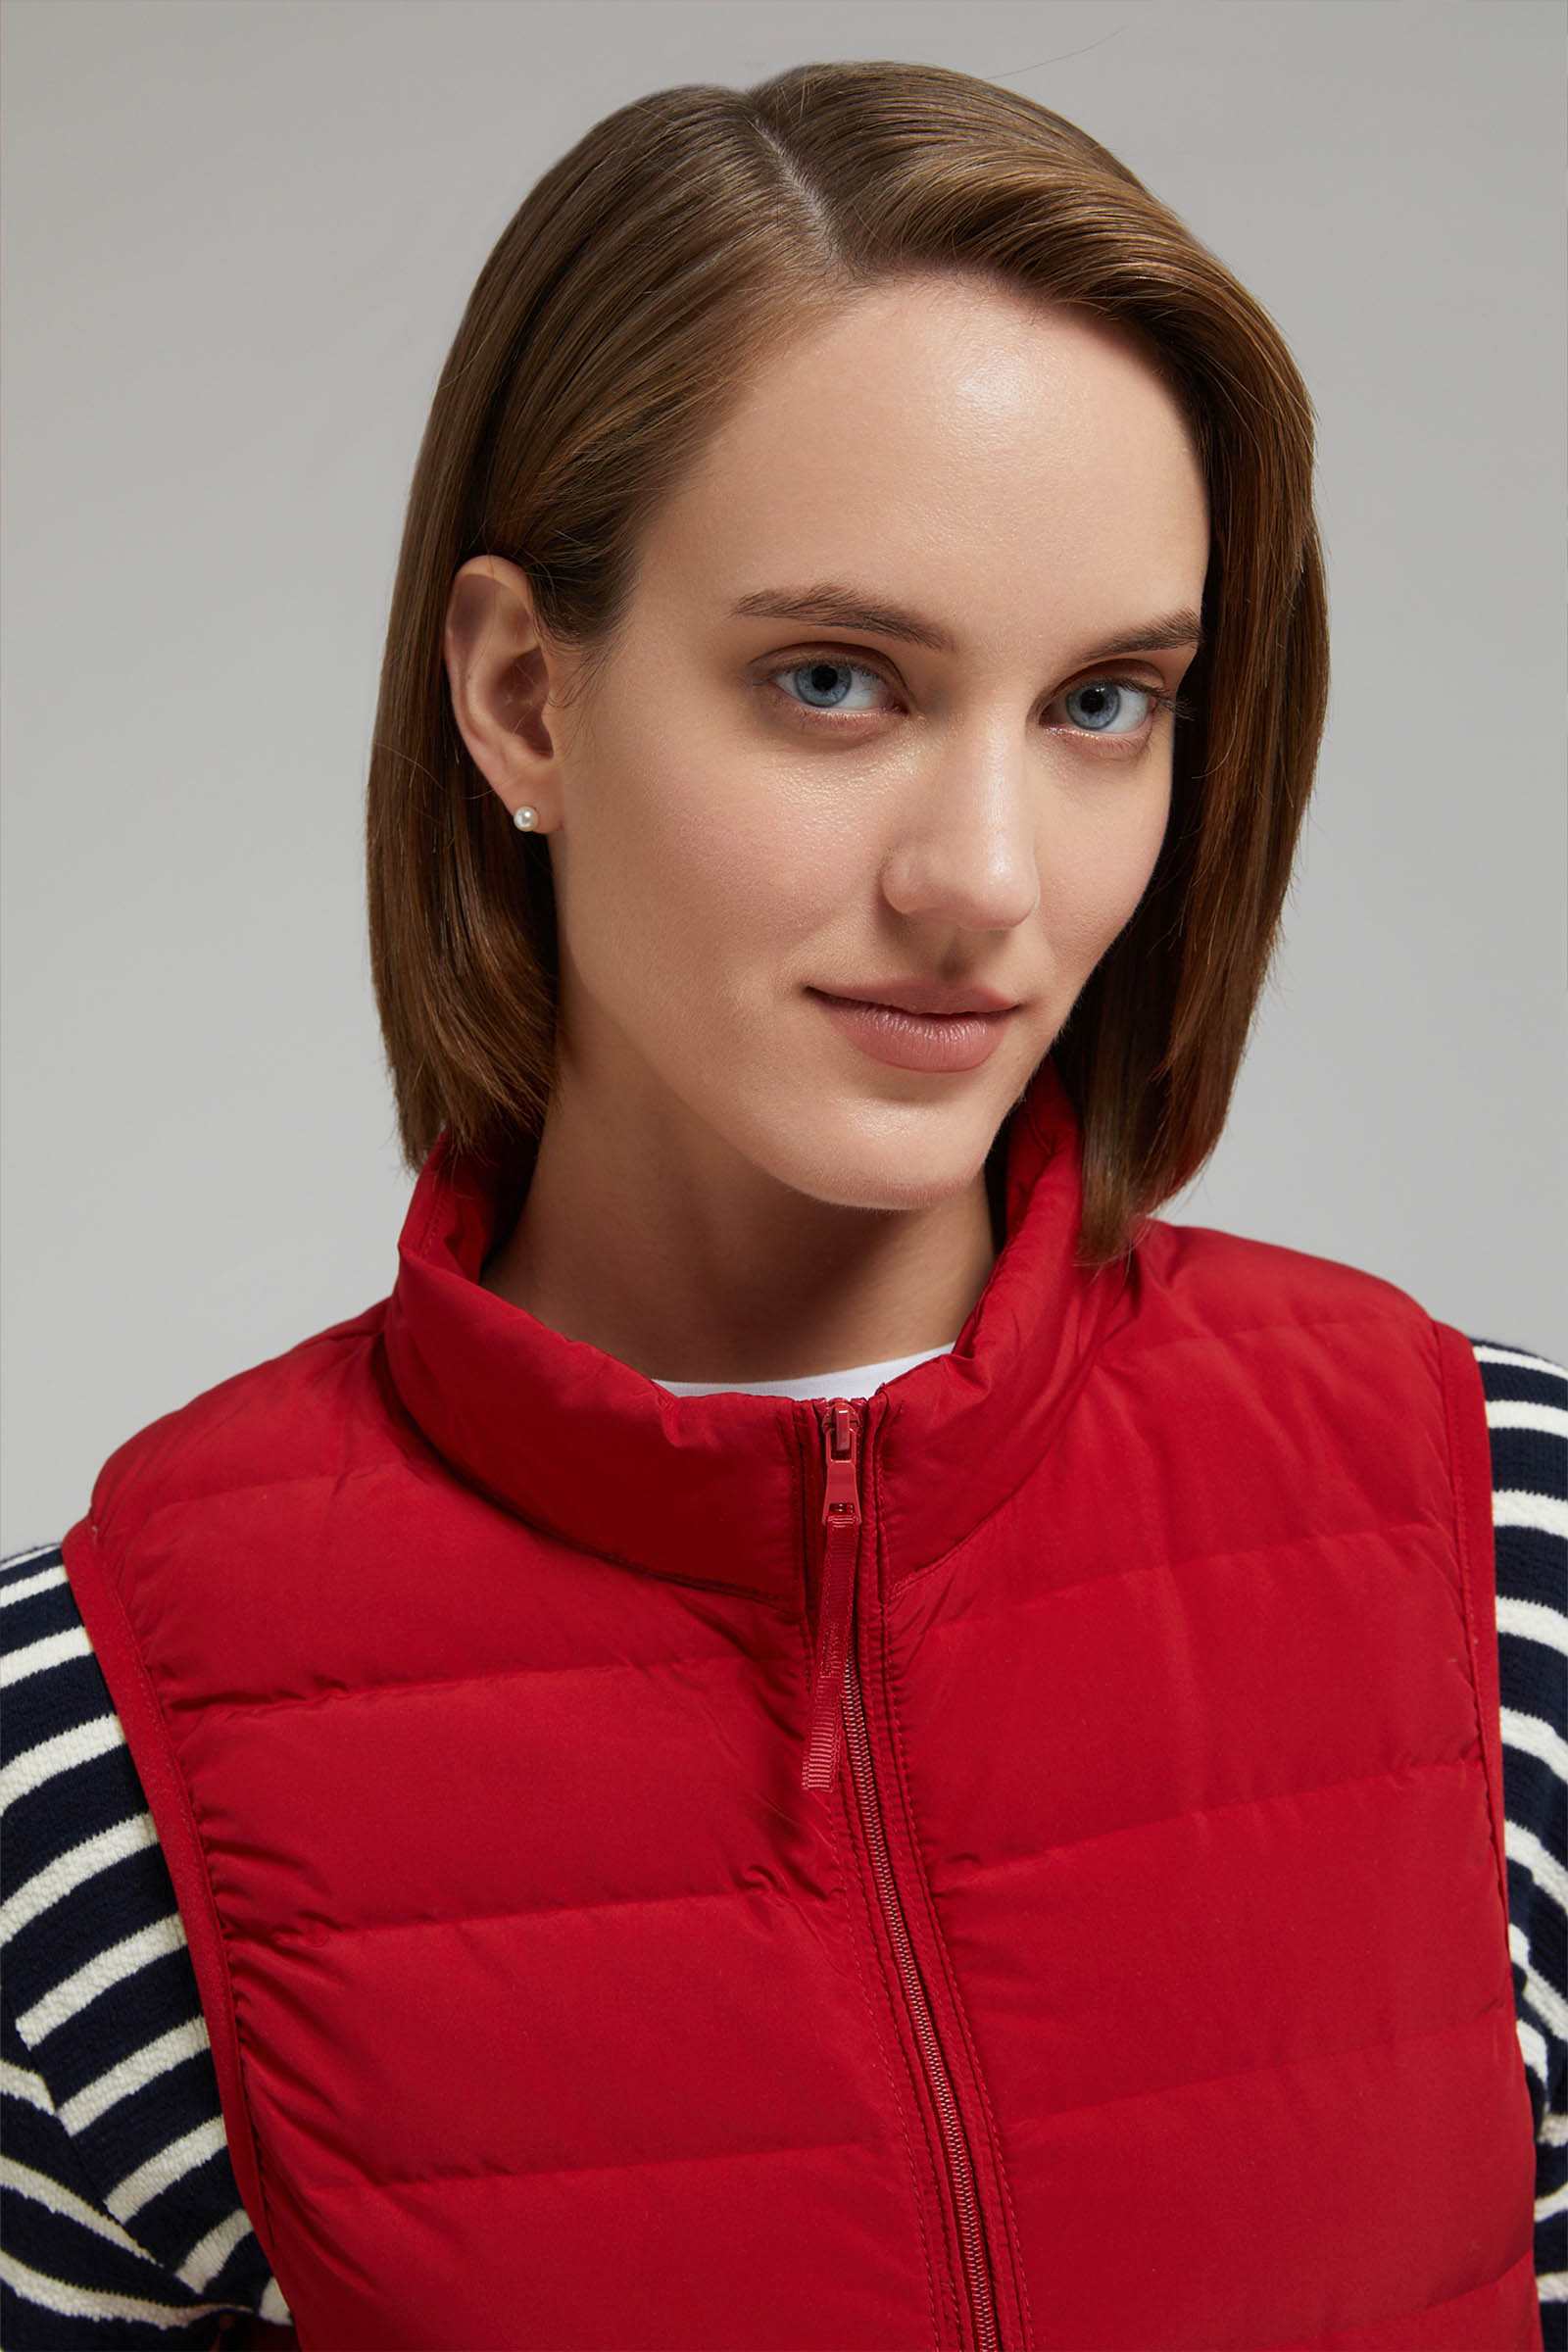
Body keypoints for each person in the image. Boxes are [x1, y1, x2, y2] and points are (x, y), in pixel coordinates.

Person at [2, 57, 1563, 2352]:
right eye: (833, 683)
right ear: (523, 697)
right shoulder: (85, 1763)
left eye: (1101, 704)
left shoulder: (1504, 1551)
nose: (984, 881)